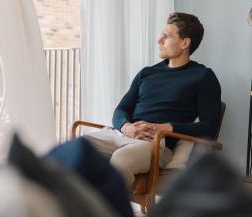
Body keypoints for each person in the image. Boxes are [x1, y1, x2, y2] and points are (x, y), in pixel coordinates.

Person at [85, 12, 221, 186]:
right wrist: (126, 127)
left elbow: (209, 127)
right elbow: (121, 110)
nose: (159, 40)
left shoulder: (203, 76)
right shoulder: (147, 73)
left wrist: (166, 127)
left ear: (184, 43)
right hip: (124, 135)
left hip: (156, 145)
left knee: (121, 159)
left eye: (166, 36)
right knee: (78, 147)